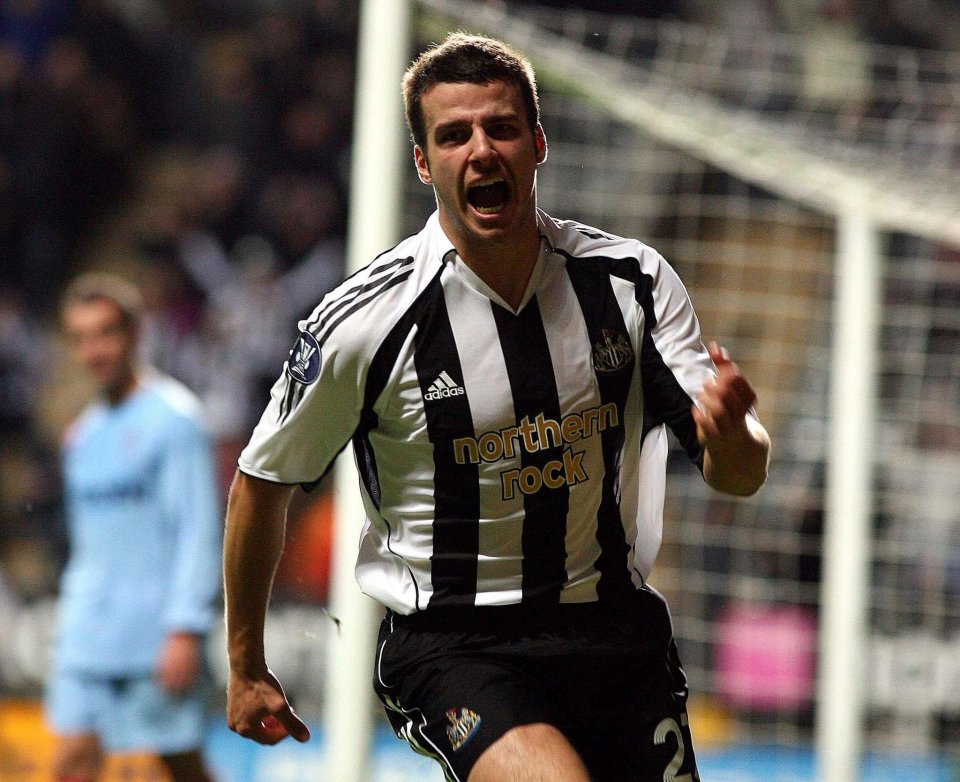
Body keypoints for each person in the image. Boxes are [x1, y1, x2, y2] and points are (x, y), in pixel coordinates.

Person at [223, 32, 770, 782]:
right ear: (423, 163)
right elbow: (263, 480)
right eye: (453, 135)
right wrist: (246, 665)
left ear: (538, 143)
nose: (481, 150)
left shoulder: (629, 284)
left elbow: (737, 474)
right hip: (456, 644)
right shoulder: (365, 322)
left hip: (613, 630)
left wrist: (733, 433)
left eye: (501, 127)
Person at [47, 272, 221, 782]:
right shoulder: (82, 434)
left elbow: (198, 532)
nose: (93, 350)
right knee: (70, 765)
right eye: (80, 338)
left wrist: (185, 627)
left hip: (153, 633)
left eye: (104, 333)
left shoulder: (176, 420)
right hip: (87, 633)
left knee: (180, 766)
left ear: (134, 335)